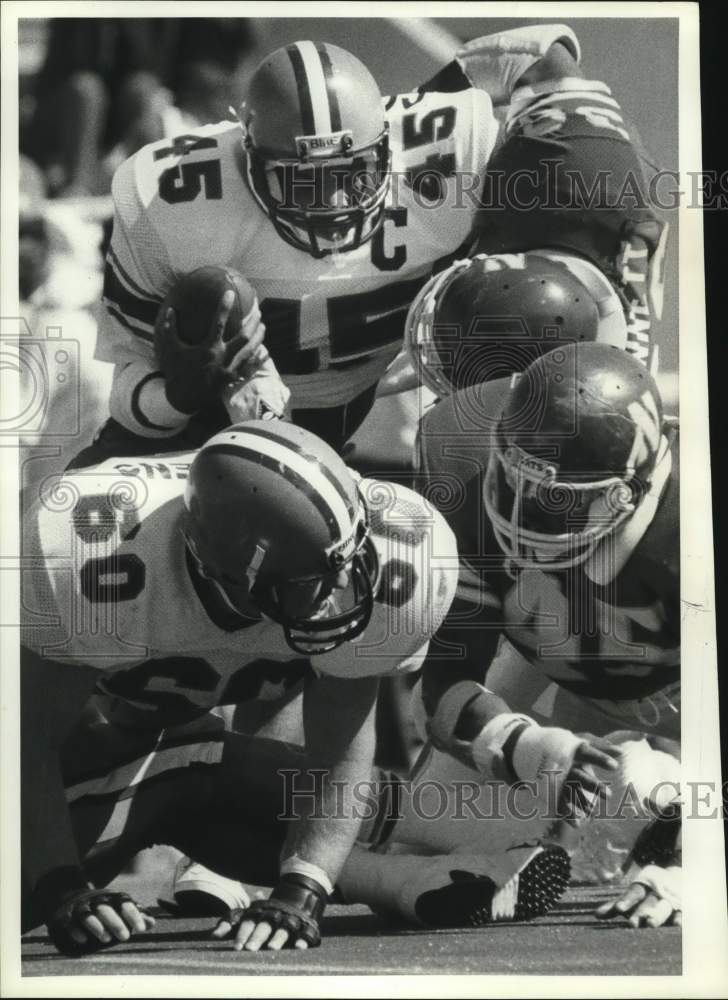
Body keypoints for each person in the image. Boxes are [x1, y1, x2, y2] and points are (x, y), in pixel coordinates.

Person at [21, 419, 459, 953]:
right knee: (179, 767)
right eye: (314, 579)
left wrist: (303, 891)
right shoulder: (96, 555)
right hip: (78, 750)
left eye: (348, 558)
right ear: (235, 579)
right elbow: (25, 740)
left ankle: (476, 841)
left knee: (196, 771)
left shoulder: (388, 556)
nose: (344, 583)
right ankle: (419, 866)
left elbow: (340, 742)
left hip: (158, 751)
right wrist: (60, 887)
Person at [78, 38, 500, 463]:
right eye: (302, 181)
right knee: (214, 295)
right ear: (252, 160)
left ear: (385, 151)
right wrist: (180, 394)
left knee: (519, 298)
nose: (333, 202)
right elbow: (127, 395)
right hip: (202, 437)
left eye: (351, 174)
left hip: (354, 422)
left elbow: (529, 61)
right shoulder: (169, 199)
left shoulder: (452, 150)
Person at [411, 341, 681, 926]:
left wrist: (695, 861)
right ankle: (615, 821)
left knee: (651, 797)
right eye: (516, 479)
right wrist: (526, 746)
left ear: (631, 489)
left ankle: (656, 812)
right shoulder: (467, 473)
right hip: (558, 667)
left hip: (685, 701)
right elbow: (442, 686)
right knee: (427, 818)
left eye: (558, 500)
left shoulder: (687, 525)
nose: (522, 512)